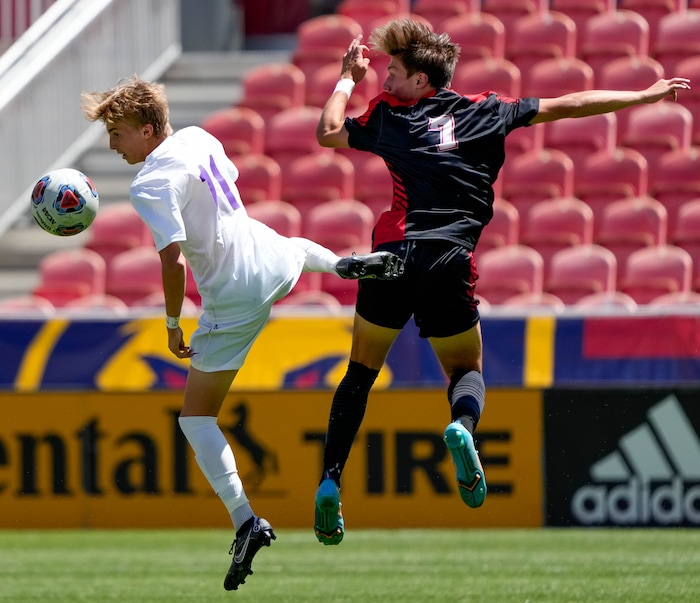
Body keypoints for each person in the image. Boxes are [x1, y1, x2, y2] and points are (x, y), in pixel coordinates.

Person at [312, 18, 691, 545]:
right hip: (448, 257)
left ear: (422, 81)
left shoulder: (387, 117)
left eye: (393, 73)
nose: (385, 81)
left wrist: (345, 80)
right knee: (466, 369)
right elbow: (569, 103)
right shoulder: (485, 111)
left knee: (359, 373)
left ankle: (330, 481)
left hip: (392, 256)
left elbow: (327, 131)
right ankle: (461, 429)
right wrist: (641, 97)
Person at [80, 75, 404, 589]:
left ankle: (245, 521)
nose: (112, 144)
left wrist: (170, 324)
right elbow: (223, 189)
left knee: (196, 419)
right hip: (266, 254)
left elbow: (172, 263)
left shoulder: (149, 183)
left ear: (145, 129)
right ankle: (344, 265)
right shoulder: (199, 138)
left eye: (116, 132)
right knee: (294, 245)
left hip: (232, 295)